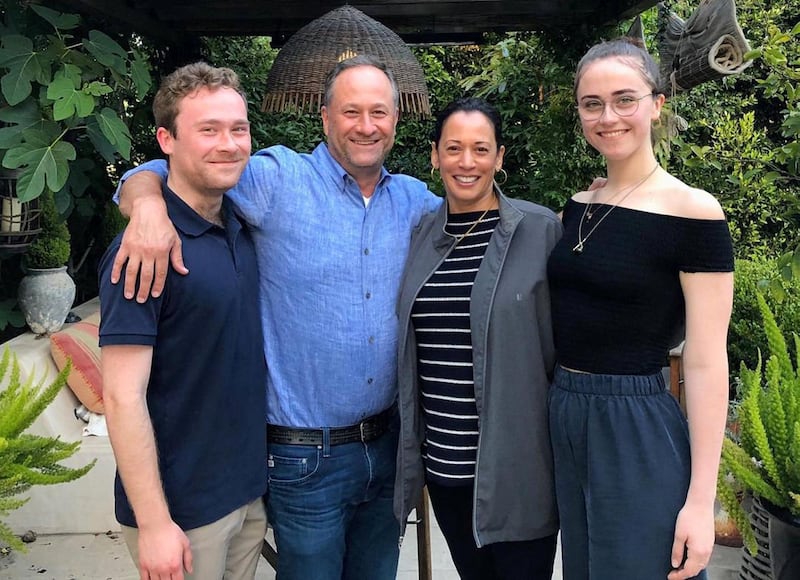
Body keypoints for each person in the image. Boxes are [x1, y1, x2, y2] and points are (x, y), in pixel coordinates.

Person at [110, 55, 442, 580]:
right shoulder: (276, 181)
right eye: (350, 111)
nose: (366, 125)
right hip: (304, 458)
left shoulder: (414, 202)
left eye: (379, 112)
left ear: (396, 121)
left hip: (387, 448)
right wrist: (146, 201)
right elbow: (183, 164)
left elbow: (480, 213)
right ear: (326, 118)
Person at [547, 38, 734, 580]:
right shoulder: (581, 205)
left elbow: (704, 361)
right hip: (566, 413)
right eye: (592, 103)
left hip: (635, 422)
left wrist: (702, 503)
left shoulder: (694, 212)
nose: (608, 117)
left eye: (624, 99)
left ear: (657, 103)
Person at [98, 62, 268, 580]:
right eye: (208, 130)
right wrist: (153, 525)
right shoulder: (143, 251)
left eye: (238, 129)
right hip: (182, 512)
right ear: (166, 139)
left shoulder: (241, 222)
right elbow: (121, 395)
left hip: (245, 494)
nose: (229, 144)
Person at [394, 97, 561, 579]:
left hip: (518, 475)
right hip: (446, 472)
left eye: (480, 149)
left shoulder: (539, 230)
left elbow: (563, 349)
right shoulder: (421, 234)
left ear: (500, 157)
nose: (466, 163)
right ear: (434, 155)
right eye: (454, 148)